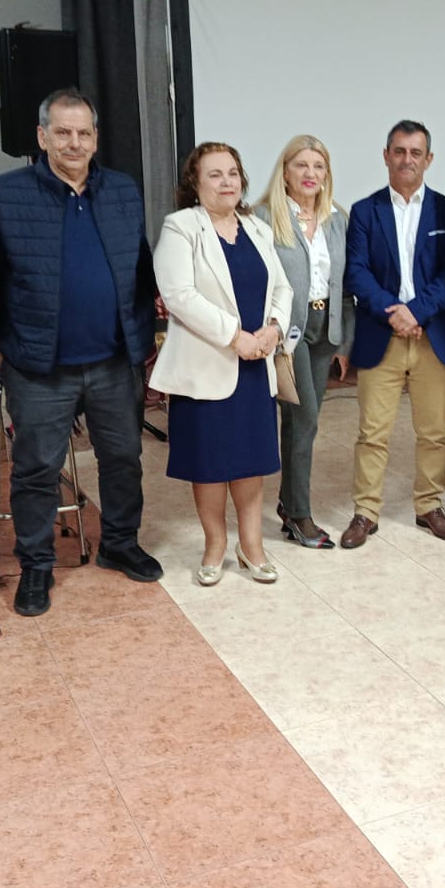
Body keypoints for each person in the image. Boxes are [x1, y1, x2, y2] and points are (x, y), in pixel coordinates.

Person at [0, 88, 162, 617]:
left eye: (84, 133)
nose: (74, 143)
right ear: (42, 137)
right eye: (62, 132)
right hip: (39, 365)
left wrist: (144, 337)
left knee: (123, 459)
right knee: (37, 468)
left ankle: (119, 543)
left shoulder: (123, 190)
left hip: (113, 360)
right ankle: (37, 565)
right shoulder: (8, 193)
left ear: (96, 138)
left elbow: (140, 266)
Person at [150, 143, 294, 583]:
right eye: (214, 174)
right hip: (205, 369)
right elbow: (179, 295)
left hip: (255, 366)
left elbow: (282, 288)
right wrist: (236, 337)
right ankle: (215, 545)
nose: (227, 181)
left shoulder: (257, 229)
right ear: (195, 183)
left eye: (232, 173)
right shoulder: (181, 227)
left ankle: (252, 547)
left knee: (251, 461)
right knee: (210, 465)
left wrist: (273, 329)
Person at [341, 120, 445, 548]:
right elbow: (356, 272)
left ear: (428, 159)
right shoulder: (365, 211)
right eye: (399, 151)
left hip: (433, 336)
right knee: (372, 433)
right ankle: (365, 511)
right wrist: (393, 313)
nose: (406, 159)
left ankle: (429, 505)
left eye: (415, 152)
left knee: (434, 432)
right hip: (382, 335)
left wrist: (416, 312)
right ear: (386, 156)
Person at [256, 135, 353, 549]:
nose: (310, 173)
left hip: (324, 327)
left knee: (302, 422)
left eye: (318, 166)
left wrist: (344, 342)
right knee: (304, 417)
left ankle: (289, 503)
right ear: (285, 172)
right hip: (286, 332)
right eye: (301, 165)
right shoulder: (263, 217)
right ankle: (298, 513)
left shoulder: (337, 218)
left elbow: (343, 286)